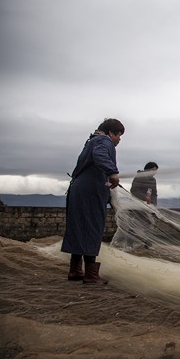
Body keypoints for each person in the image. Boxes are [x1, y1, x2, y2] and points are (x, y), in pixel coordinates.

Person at [61, 118, 125, 285]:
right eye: (119, 135)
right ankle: (91, 274)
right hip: (90, 192)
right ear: (111, 133)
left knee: (79, 228)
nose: (119, 139)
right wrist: (113, 172)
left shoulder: (92, 140)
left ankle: (75, 270)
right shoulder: (103, 141)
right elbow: (100, 155)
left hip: (79, 190)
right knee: (92, 227)